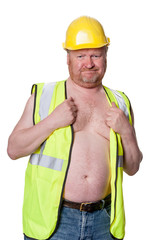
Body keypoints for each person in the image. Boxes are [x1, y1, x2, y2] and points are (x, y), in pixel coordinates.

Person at [7, 16, 142, 240]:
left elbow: (133, 167)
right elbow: (13, 149)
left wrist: (127, 132)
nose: (89, 63)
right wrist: (52, 121)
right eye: (81, 56)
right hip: (54, 222)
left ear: (106, 56)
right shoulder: (44, 96)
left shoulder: (120, 102)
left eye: (96, 55)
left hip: (103, 221)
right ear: (68, 58)